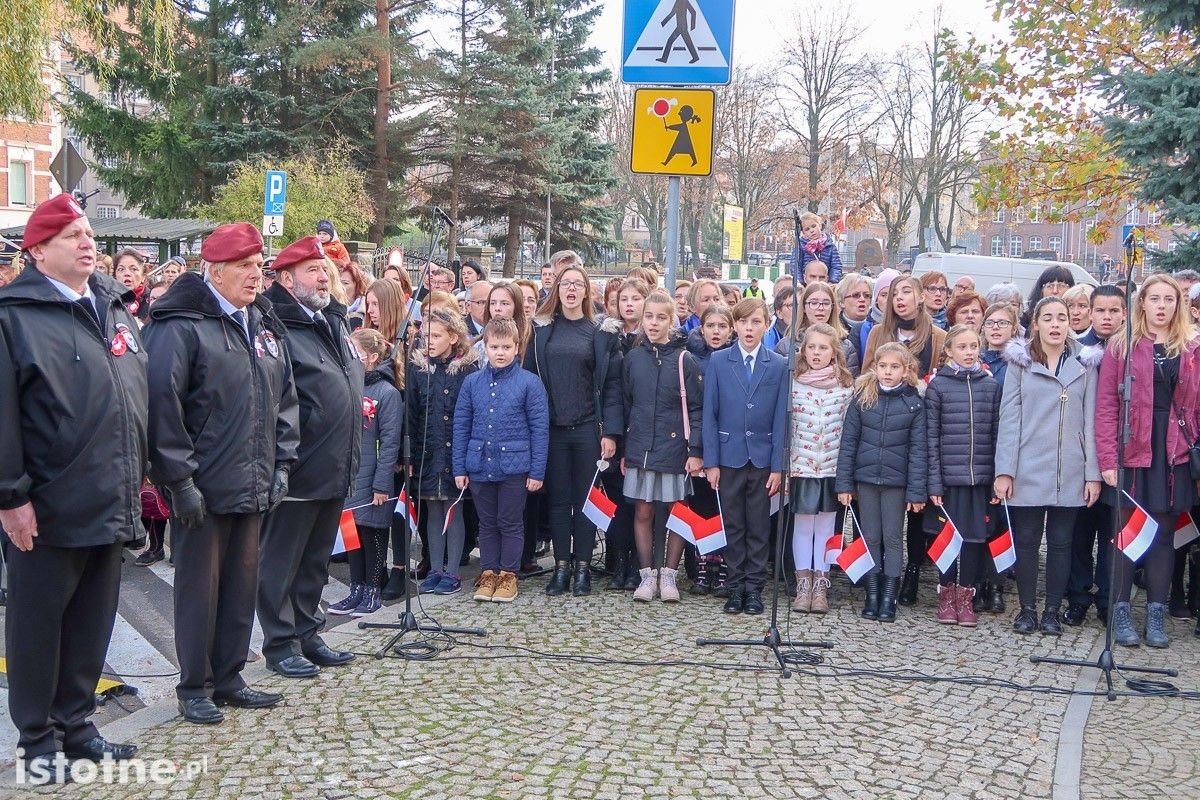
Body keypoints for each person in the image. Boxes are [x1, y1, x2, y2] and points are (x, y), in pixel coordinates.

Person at [0, 194, 148, 778]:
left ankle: (78, 725)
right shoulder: (14, 317)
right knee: (39, 627)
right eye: (71, 235)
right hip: (48, 501)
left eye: (89, 233)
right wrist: (11, 496)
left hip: (109, 492)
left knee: (92, 621)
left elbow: (133, 392)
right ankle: (37, 742)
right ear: (37, 251)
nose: (88, 242)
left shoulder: (111, 308)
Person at [144, 222, 299, 725]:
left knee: (240, 586)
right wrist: (179, 481)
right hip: (203, 487)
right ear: (213, 270)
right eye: (245, 268)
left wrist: (282, 462)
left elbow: (285, 400)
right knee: (199, 591)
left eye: (260, 267)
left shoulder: (264, 322)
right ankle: (195, 685)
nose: (257, 277)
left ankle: (230, 676)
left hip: (252, 481)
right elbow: (162, 406)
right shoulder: (181, 324)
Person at [256, 236, 364, 678]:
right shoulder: (275, 324)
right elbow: (276, 401)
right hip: (299, 464)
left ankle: (307, 630)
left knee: (316, 558)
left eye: (325, 270)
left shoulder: (330, 320)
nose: (323, 278)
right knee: (282, 560)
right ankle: (280, 642)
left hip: (335, 462)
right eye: (312, 271)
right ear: (286, 279)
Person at [1096, 274, 1199, 648]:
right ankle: (1121, 612)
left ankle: (1156, 615)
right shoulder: (1122, 346)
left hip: (1175, 450)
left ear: (1178, 304)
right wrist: (1108, 458)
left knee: (1163, 537)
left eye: (1168, 299)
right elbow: (1106, 406)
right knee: (1126, 535)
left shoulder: (1192, 347)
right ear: (1141, 304)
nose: (1161, 305)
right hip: (1133, 448)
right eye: (1154, 298)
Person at [995, 297, 1100, 636]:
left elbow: (1092, 421)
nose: (1055, 325)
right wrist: (1004, 470)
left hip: (1070, 469)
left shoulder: (1085, 364)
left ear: (1071, 322)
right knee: (1026, 541)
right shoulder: (1020, 364)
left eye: (1062, 318)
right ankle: (1027, 609)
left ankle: (1052, 610)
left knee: (1060, 543)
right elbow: (1010, 418)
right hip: (1027, 466)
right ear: (1036, 323)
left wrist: (1092, 474)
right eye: (1048, 318)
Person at [525, 264, 623, 597]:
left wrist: (609, 432)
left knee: (585, 501)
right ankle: (562, 566)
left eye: (577, 285)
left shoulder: (599, 331)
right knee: (557, 501)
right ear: (556, 290)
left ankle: (583, 567)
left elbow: (611, 386)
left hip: (586, 428)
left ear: (586, 292)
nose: (570, 290)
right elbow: (529, 378)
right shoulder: (541, 330)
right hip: (551, 429)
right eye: (565, 284)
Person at [703, 297, 788, 616]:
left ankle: (754, 588)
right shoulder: (719, 361)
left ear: (766, 325)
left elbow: (782, 418)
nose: (749, 328)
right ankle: (734, 586)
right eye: (743, 322)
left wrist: (778, 467)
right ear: (734, 326)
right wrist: (711, 461)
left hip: (763, 459)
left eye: (756, 322)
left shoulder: (778, 365)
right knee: (733, 524)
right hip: (729, 456)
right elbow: (710, 414)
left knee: (758, 525)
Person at [456, 318, 550, 603]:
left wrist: (537, 470)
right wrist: (460, 466)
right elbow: (461, 424)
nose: (500, 352)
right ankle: (488, 572)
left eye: (506, 347)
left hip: (515, 467)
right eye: (495, 346)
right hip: (480, 464)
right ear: (485, 347)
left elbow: (539, 428)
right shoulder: (472, 382)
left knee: (510, 521)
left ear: (516, 347)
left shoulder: (529, 383)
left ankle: (508, 574)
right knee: (487, 523)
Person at [622, 290, 704, 603]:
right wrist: (626, 446)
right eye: (649, 317)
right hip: (641, 446)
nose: (654, 323)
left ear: (672, 320)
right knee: (643, 510)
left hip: (675, 451)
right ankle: (647, 575)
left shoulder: (685, 359)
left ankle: (669, 574)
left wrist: (695, 451)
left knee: (678, 512)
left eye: (661, 317)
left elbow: (696, 409)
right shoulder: (633, 358)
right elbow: (627, 404)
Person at [836, 343, 927, 622]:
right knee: (870, 537)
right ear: (875, 367)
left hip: (896, 482)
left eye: (895, 367)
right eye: (883, 366)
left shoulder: (913, 403)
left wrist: (916, 491)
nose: (888, 372)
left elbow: (918, 451)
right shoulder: (863, 398)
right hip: (865, 479)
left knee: (892, 538)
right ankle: (872, 594)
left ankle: (889, 596)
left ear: (905, 370)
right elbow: (848, 443)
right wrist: (844, 484)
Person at [924, 325, 1001, 626]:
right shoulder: (938, 387)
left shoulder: (990, 386)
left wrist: (996, 478)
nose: (969, 352)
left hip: (979, 480)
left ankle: (966, 594)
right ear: (949, 351)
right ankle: (946, 593)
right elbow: (931, 438)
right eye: (962, 347)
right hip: (948, 479)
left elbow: (997, 435)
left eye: (973, 346)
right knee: (947, 539)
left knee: (973, 539)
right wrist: (933, 481)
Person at [328, 328, 403, 617]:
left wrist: (382, 484)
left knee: (373, 533)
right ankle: (356, 588)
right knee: (352, 535)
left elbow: (390, 443)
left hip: (373, 478)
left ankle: (373, 589)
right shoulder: (350, 385)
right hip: (348, 477)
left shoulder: (387, 393)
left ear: (371, 357)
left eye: (355, 353)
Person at [1063, 284, 1125, 627]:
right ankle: (1078, 596)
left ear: (1124, 314)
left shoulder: (1131, 349)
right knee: (1079, 533)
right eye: (1099, 310)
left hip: (1118, 457)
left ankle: (1108, 599)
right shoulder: (1077, 350)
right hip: (1080, 456)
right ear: (1088, 312)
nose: (1106, 317)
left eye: (1113, 311)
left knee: (1112, 534)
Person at [408, 310, 480, 595]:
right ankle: (435, 568)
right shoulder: (418, 370)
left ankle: (452, 571)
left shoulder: (467, 371)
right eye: (425, 336)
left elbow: (471, 418)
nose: (429, 341)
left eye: (436, 336)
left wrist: (467, 459)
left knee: (454, 510)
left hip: (455, 455)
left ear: (453, 337)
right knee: (432, 512)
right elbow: (412, 415)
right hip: (427, 453)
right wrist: (410, 457)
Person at [787, 323, 853, 614]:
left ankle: (820, 584)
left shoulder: (846, 388)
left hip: (832, 467)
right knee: (803, 526)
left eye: (823, 347)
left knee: (826, 527)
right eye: (811, 347)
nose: (816, 353)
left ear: (834, 352)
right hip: (801, 467)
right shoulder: (793, 383)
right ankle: (803, 583)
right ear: (803, 350)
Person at [685, 303, 734, 595]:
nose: (716, 332)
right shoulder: (691, 359)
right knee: (702, 507)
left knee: (725, 508)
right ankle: (704, 564)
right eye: (711, 326)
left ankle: (724, 564)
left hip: (728, 445)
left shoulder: (735, 359)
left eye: (722, 326)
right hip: (700, 441)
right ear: (701, 329)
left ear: (731, 331)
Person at [605, 278, 650, 590]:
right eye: (625, 299)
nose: (630, 304)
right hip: (613, 425)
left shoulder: (650, 341)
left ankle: (639, 562)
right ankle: (618, 559)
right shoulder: (607, 337)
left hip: (641, 430)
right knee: (617, 500)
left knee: (639, 502)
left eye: (636, 298)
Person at [776, 281, 860, 376]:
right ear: (803, 307)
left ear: (832, 308)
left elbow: (851, 383)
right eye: (814, 303)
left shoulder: (846, 347)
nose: (820, 308)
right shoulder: (786, 346)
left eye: (826, 303)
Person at [854, 267, 899, 365]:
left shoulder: (907, 328)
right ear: (876, 299)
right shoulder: (862, 329)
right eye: (883, 295)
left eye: (893, 294)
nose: (888, 300)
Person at [1020, 265, 1075, 330]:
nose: (1055, 291)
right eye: (1050, 286)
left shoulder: (1075, 317)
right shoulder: (1026, 321)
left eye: (1061, 285)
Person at [796, 212, 843, 283]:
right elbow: (796, 266)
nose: (811, 230)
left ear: (820, 226)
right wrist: (800, 283)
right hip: (806, 285)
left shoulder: (830, 246)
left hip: (825, 283)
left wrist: (832, 281)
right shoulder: (801, 246)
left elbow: (836, 266)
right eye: (807, 229)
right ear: (803, 232)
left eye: (814, 226)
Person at [112, 247, 149, 321]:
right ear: (115, 276)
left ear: (143, 276)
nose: (127, 273)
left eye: (133, 269)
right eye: (121, 269)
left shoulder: (153, 300)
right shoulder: (107, 300)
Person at [339, 262, 371, 331]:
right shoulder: (333, 312)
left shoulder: (369, 310)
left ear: (357, 285)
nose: (340, 287)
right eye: (338, 283)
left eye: (345, 283)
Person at [762, 286, 794, 351]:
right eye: (791, 305)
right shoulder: (766, 339)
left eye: (800, 305)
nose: (797, 309)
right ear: (779, 313)